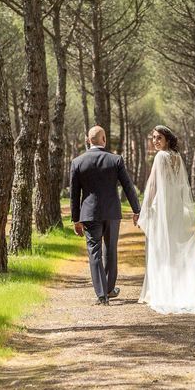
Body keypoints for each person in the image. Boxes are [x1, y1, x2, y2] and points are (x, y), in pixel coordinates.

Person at [137, 125, 195, 314]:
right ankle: (175, 289)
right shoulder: (177, 157)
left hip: (163, 206)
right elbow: (181, 186)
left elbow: (153, 185)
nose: (155, 141)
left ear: (167, 139)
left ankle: (162, 291)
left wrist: (144, 209)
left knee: (162, 247)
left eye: (159, 138)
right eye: (153, 137)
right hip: (176, 207)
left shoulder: (160, 157)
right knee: (173, 248)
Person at [70, 126, 140, 305]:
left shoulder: (78, 162)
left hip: (89, 213)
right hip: (112, 212)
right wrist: (136, 210)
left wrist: (76, 219)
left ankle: (102, 295)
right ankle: (109, 288)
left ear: (88, 140)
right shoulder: (115, 160)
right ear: (104, 139)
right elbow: (128, 186)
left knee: (94, 252)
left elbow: (74, 194)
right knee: (110, 250)